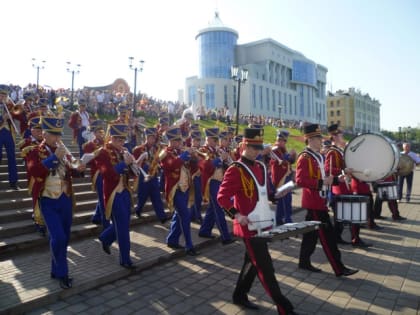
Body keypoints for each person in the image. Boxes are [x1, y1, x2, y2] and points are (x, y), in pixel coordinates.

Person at [217, 128, 297, 315]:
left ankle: (239, 295)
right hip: (248, 226)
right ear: (244, 145)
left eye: (258, 148)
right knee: (265, 267)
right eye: (252, 147)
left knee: (252, 263)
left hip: (263, 222)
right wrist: (236, 215)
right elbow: (222, 197)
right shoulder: (235, 169)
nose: (255, 151)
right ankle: (284, 308)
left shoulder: (261, 166)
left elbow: (266, 192)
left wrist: (278, 194)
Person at [26, 116, 86, 289]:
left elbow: (70, 172)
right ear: (44, 133)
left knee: (64, 237)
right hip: (47, 200)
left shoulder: (64, 151)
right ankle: (62, 273)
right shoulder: (34, 151)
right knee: (58, 236)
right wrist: (53, 158)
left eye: (59, 134)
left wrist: (79, 169)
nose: (57, 138)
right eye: (53, 134)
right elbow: (34, 171)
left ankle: (55, 269)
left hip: (65, 198)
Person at [295, 123, 358, 277]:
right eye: (317, 138)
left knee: (310, 235)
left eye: (320, 137)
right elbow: (300, 180)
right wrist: (323, 182)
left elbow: (326, 178)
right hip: (315, 203)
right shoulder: (305, 157)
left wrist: (338, 179)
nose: (321, 140)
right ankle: (339, 268)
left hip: (320, 202)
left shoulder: (319, 156)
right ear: (309, 140)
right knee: (328, 239)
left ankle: (303, 262)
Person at [95, 123, 136, 269]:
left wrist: (133, 164)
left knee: (124, 223)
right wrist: (123, 164)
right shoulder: (103, 152)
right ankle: (125, 259)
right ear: (111, 138)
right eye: (118, 139)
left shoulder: (123, 151)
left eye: (123, 140)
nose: (121, 143)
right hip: (113, 193)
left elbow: (132, 174)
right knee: (123, 227)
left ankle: (105, 238)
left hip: (124, 191)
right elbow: (108, 174)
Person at [325, 124, 371, 247]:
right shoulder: (332, 152)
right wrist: (345, 170)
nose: (342, 136)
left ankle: (340, 238)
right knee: (347, 215)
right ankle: (353, 239)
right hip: (339, 188)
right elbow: (328, 170)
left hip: (346, 186)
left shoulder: (340, 151)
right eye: (340, 134)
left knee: (342, 217)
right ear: (334, 137)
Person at [160, 126, 199, 256]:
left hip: (186, 187)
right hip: (174, 189)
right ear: (170, 140)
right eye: (176, 140)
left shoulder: (181, 152)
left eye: (179, 140)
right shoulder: (165, 153)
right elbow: (170, 166)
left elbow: (192, 168)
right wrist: (183, 156)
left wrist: (194, 158)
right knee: (185, 215)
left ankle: (172, 239)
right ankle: (189, 245)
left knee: (180, 215)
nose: (179, 143)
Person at [198, 128, 234, 245]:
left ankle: (204, 230)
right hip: (211, 182)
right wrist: (219, 159)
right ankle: (225, 236)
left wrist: (228, 162)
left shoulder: (217, 150)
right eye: (213, 139)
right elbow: (205, 167)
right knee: (219, 208)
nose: (215, 141)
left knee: (212, 209)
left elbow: (225, 165)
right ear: (207, 139)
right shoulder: (202, 150)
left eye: (216, 139)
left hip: (220, 181)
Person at [132, 127, 168, 223]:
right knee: (142, 197)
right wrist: (142, 158)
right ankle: (138, 210)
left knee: (156, 197)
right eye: (150, 137)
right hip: (143, 177)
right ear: (146, 137)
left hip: (154, 176)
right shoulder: (138, 149)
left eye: (153, 138)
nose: (152, 140)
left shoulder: (158, 149)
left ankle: (162, 216)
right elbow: (134, 164)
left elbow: (160, 161)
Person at [19, 116, 46, 236]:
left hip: (47, 175)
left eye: (41, 130)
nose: (40, 132)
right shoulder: (27, 143)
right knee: (36, 199)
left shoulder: (46, 141)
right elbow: (24, 155)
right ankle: (39, 223)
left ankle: (42, 218)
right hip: (34, 176)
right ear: (31, 130)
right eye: (37, 130)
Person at [82, 120, 109, 229]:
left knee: (103, 196)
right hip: (98, 173)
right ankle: (105, 223)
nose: (101, 134)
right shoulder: (90, 144)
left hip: (107, 172)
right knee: (103, 199)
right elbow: (88, 159)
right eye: (99, 132)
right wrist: (98, 153)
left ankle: (96, 217)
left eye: (102, 131)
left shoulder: (107, 143)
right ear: (94, 132)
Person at [270, 130, 296, 224]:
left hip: (286, 176)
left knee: (282, 200)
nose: (282, 142)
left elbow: (289, 162)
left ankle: (279, 219)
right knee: (286, 200)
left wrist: (293, 157)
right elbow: (281, 162)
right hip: (280, 178)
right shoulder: (274, 150)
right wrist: (290, 156)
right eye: (280, 140)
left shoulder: (282, 149)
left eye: (284, 141)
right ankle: (288, 220)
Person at [0, 88, 20, 190]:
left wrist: (15, 109)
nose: (3, 97)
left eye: (5, 96)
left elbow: (19, 116)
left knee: (12, 157)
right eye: (1, 95)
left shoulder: (9, 106)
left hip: (9, 133)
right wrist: (3, 118)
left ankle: (13, 182)